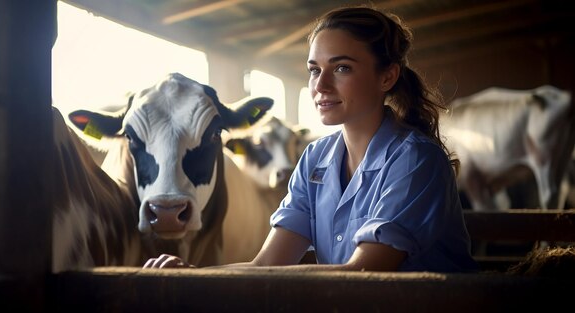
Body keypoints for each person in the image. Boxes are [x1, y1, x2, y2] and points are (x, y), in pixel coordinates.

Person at [144, 4, 478, 272]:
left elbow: (362, 275)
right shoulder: (315, 159)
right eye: (314, 70)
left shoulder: (415, 160)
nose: (320, 86)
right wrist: (193, 275)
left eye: (342, 68)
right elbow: (267, 265)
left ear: (387, 76)